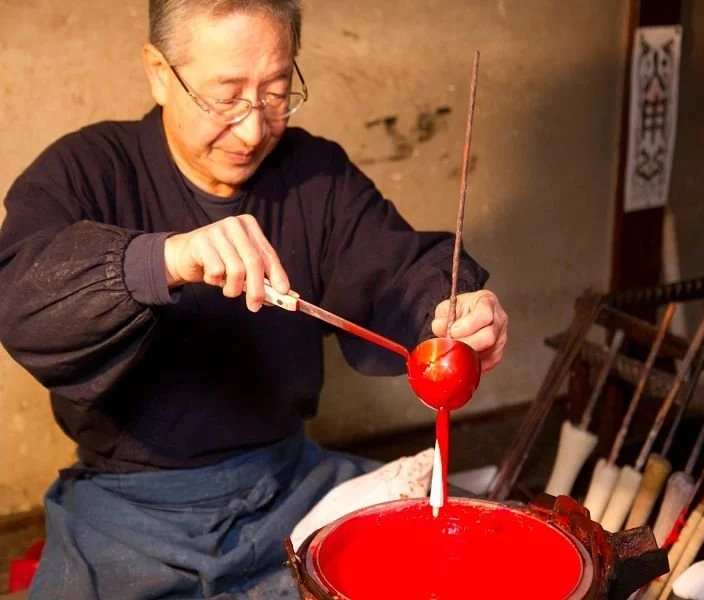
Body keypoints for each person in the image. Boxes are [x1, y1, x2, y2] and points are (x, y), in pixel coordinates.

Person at [0, 0, 509, 598]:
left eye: (274, 94)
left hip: (292, 485)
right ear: (160, 72)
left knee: (476, 552)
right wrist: (166, 259)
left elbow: (397, 266)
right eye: (226, 97)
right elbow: (20, 297)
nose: (252, 129)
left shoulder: (315, 174)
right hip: (128, 513)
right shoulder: (88, 170)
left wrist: (448, 308)